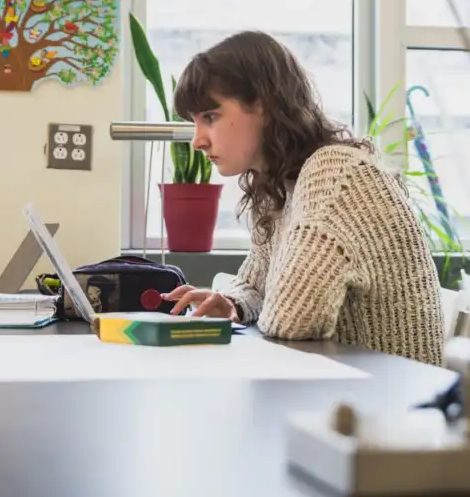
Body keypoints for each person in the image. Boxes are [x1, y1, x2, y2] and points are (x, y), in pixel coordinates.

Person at [162, 31, 444, 364]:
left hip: (392, 402)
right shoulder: (279, 187)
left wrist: (258, 306)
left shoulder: (335, 174)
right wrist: (233, 304)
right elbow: (254, 286)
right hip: (340, 393)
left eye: (209, 117)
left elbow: (290, 321)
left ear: (263, 105)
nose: (197, 141)